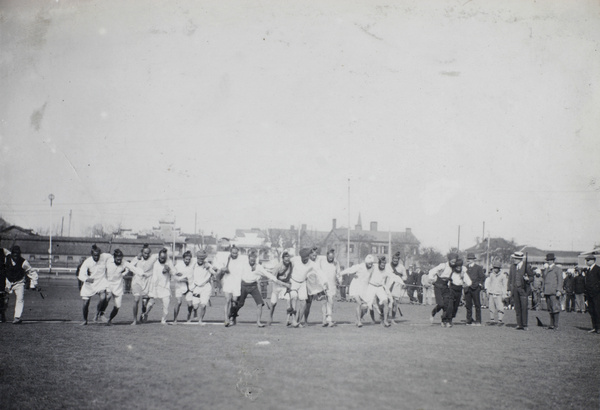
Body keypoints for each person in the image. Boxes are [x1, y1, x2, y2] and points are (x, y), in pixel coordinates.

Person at [229, 250, 290, 327]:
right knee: (240, 304)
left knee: (260, 304)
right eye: (251, 258)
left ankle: (258, 322)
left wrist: (282, 283)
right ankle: (232, 317)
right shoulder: (243, 265)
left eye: (254, 258)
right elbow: (236, 273)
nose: (252, 260)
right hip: (244, 285)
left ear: (255, 259)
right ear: (248, 258)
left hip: (253, 286)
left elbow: (269, 275)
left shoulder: (259, 267)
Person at [2, 246, 38, 324]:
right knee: (4, 300)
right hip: (8, 282)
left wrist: (33, 283)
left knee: (20, 299)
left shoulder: (24, 262)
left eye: (17, 254)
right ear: (11, 253)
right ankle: (2, 314)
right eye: (14, 253)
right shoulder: (6, 259)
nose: (15, 255)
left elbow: (31, 272)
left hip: (19, 283)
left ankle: (17, 317)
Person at [101, 249, 139, 325]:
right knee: (108, 297)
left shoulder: (124, 262)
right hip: (108, 283)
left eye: (120, 259)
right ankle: (101, 313)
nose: (119, 261)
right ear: (114, 257)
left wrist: (142, 273)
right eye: (118, 259)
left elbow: (132, 268)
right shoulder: (108, 261)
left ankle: (109, 320)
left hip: (118, 285)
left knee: (117, 306)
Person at [288, 248, 322, 328]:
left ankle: (298, 321)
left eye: (306, 258)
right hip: (293, 282)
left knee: (303, 303)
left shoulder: (312, 264)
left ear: (308, 256)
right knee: (294, 298)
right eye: (303, 258)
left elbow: (319, 272)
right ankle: (293, 320)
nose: (304, 260)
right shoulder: (295, 260)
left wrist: (325, 282)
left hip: (303, 283)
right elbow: (286, 264)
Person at [338, 255, 375, 327]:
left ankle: (358, 319)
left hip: (364, 288)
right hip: (355, 286)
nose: (370, 265)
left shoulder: (373, 267)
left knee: (365, 307)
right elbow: (350, 270)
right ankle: (359, 322)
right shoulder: (360, 266)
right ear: (365, 262)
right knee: (359, 303)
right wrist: (340, 273)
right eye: (368, 263)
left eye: (371, 263)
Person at [77, 245, 109, 325]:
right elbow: (80, 275)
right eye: (95, 255)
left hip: (100, 283)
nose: (96, 257)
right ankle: (85, 320)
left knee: (103, 297)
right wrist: (87, 279)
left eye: (98, 255)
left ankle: (97, 314)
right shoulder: (87, 262)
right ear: (92, 255)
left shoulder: (104, 257)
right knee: (86, 303)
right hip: (89, 285)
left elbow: (112, 256)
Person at [215, 245, 245, 327]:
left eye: (236, 253)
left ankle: (232, 317)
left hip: (237, 283)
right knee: (227, 300)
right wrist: (223, 269)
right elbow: (219, 270)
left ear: (238, 253)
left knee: (234, 303)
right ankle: (226, 319)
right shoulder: (226, 259)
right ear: (230, 252)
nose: (234, 254)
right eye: (233, 253)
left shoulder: (241, 260)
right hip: (228, 282)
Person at [128, 244, 158, 325]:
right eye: (145, 253)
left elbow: (162, 256)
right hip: (137, 281)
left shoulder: (153, 259)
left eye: (148, 253)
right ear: (142, 252)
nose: (146, 255)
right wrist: (137, 261)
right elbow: (129, 266)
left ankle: (145, 314)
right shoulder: (137, 259)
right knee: (136, 299)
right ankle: (134, 320)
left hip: (148, 282)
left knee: (149, 301)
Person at [145, 248, 174, 324]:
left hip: (165, 287)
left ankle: (163, 320)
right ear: (158, 256)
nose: (162, 259)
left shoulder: (169, 262)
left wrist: (169, 270)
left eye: (164, 258)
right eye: (161, 258)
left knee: (166, 304)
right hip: (155, 286)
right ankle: (145, 314)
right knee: (151, 303)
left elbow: (174, 272)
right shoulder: (154, 260)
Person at [428, 253, 458, 327]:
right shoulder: (443, 265)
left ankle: (443, 321)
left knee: (446, 304)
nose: (453, 263)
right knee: (441, 304)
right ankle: (433, 313)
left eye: (455, 262)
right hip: (438, 286)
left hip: (445, 286)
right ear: (449, 260)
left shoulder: (454, 268)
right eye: (452, 262)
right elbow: (432, 271)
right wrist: (431, 279)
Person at [188, 250, 217, 325]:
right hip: (196, 287)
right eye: (199, 258)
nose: (200, 259)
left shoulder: (208, 265)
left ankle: (200, 320)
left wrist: (209, 268)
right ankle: (194, 311)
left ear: (204, 258)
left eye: (202, 258)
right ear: (197, 257)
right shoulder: (193, 264)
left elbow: (215, 273)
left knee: (203, 305)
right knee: (195, 305)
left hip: (206, 287)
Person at [507, 251, 534, 330]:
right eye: (514, 258)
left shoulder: (527, 266)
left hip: (523, 289)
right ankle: (519, 324)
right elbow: (510, 279)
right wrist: (508, 289)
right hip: (515, 289)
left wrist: (528, 279)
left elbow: (532, 277)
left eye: (516, 258)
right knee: (517, 307)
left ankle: (525, 325)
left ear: (520, 259)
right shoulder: (512, 267)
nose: (514, 260)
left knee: (524, 307)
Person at [267, 251, 293, 326]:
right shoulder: (278, 266)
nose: (287, 261)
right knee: (273, 303)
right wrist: (285, 284)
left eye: (288, 259)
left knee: (288, 300)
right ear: (282, 259)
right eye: (286, 259)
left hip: (285, 286)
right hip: (276, 286)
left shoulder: (291, 264)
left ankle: (288, 320)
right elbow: (273, 278)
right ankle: (270, 318)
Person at [317, 249, 340, 327]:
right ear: (327, 255)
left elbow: (338, 273)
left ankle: (329, 319)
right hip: (323, 284)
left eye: (332, 257)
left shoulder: (336, 263)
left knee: (330, 302)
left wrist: (339, 280)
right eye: (329, 257)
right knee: (324, 302)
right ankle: (324, 320)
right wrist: (321, 283)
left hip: (332, 285)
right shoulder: (322, 261)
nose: (331, 258)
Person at [173, 250, 195, 324]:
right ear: (183, 259)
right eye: (186, 259)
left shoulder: (193, 264)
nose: (187, 261)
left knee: (190, 305)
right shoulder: (178, 266)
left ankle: (188, 317)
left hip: (189, 287)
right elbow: (174, 276)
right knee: (179, 302)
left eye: (189, 259)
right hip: (179, 286)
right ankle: (175, 319)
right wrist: (180, 279)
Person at [448, 259, 471, 326]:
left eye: (460, 267)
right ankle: (449, 319)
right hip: (452, 289)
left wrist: (464, 284)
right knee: (450, 305)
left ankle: (451, 317)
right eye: (457, 267)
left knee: (456, 306)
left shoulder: (463, 273)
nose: (458, 268)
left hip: (459, 289)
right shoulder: (451, 272)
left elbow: (469, 282)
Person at [464, 253, 485, 326]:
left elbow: (482, 277)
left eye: (470, 259)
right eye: (468, 259)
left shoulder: (478, 268)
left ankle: (478, 320)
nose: (469, 260)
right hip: (467, 288)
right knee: (468, 305)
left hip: (476, 288)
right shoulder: (465, 268)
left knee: (477, 304)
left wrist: (480, 284)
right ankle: (469, 320)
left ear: (473, 260)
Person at [386, 252, 407, 321]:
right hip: (388, 286)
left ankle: (392, 319)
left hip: (397, 287)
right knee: (387, 302)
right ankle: (385, 318)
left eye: (396, 260)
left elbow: (405, 277)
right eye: (394, 260)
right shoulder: (387, 266)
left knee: (395, 304)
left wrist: (399, 276)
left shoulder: (401, 267)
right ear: (392, 259)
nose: (395, 262)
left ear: (398, 260)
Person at [584, 255, 600, 333]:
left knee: (597, 310)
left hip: (596, 294)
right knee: (591, 310)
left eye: (589, 260)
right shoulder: (588, 270)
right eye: (587, 260)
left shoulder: (597, 269)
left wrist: (597, 289)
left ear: (594, 260)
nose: (587, 262)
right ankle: (594, 327)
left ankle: (599, 327)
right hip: (589, 294)